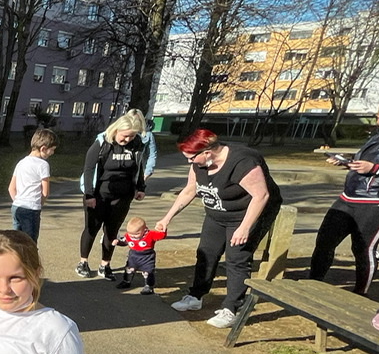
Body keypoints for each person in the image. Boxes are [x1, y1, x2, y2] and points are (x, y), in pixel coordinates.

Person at [156, 129, 282, 328]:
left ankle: (231, 308)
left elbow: (262, 196)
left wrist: (244, 227)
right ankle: (195, 296)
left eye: (191, 158)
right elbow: (190, 190)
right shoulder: (199, 164)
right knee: (206, 253)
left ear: (207, 152)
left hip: (246, 215)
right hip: (217, 213)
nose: (190, 162)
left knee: (237, 259)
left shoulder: (242, 162)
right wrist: (167, 218)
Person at [309, 98, 379, 295]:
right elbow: (368, 160)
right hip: (350, 197)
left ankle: (360, 294)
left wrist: (376, 169)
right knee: (324, 241)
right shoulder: (378, 135)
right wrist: (348, 163)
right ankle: (312, 284)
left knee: (362, 247)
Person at [75, 111, 146, 280]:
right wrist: (89, 195)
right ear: (116, 130)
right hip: (98, 195)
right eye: (125, 136)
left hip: (123, 196)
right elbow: (88, 169)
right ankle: (83, 262)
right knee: (92, 229)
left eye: (131, 136)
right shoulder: (102, 143)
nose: (127, 140)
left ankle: (105, 264)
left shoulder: (137, 145)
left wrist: (141, 186)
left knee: (111, 231)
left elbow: (139, 166)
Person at [9, 128, 58, 242]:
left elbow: (11, 188)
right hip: (31, 209)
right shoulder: (43, 165)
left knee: (17, 241)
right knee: (30, 243)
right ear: (43, 149)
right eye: (52, 150)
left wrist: (18, 200)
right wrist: (38, 204)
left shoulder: (21, 162)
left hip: (17, 207)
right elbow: (45, 192)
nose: (53, 153)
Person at [111, 215, 166, 294]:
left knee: (148, 272)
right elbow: (125, 242)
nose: (133, 236)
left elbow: (161, 236)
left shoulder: (150, 234)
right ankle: (126, 281)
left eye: (136, 234)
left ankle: (149, 286)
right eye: (130, 233)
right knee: (129, 269)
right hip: (133, 256)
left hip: (147, 256)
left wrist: (162, 229)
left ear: (144, 230)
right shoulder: (129, 235)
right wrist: (118, 242)